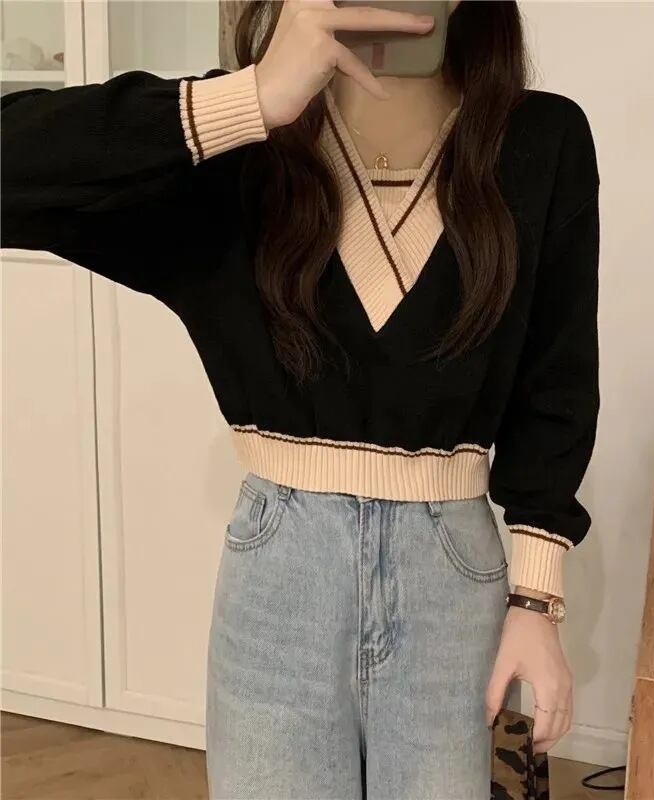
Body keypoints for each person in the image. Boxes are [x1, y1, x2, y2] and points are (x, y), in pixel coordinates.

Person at [0, 1, 600, 797]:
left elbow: (557, 378)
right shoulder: (242, 157)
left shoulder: (538, 141)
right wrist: (248, 99)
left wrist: (537, 600)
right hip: (280, 583)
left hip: (453, 586)